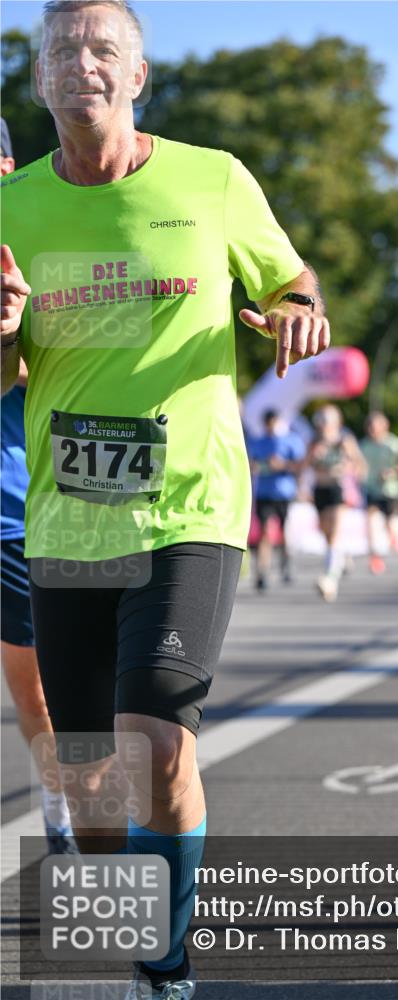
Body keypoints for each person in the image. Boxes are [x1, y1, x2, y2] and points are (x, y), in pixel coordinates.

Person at [0, 3, 330, 998]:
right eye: (62, 49)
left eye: (104, 49)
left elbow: (293, 282)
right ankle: (141, 918)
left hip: (189, 508)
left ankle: (170, 968)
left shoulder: (213, 178)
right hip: (70, 516)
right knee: (94, 791)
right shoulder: (11, 207)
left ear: (137, 75)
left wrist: (298, 315)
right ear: (41, 77)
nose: (81, 63)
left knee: (158, 751)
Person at [0, 117, 76, 854]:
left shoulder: (41, 254)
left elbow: (48, 368)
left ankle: (61, 804)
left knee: (42, 696)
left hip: (21, 510)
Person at [307, 404, 365, 601]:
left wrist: (349, 469)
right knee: (325, 531)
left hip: (338, 488)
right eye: (321, 421)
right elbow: (305, 465)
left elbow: (359, 463)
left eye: (327, 421)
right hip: (320, 489)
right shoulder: (314, 442)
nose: (323, 425)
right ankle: (339, 558)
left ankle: (329, 579)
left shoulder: (343, 440)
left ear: (336, 423)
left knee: (334, 533)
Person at [247, 409, 305, 589]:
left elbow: (300, 466)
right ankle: (262, 571)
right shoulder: (259, 442)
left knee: (285, 529)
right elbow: (251, 464)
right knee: (265, 532)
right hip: (264, 492)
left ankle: (286, 563)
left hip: (284, 492)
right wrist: (260, 466)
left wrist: (283, 465)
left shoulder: (291, 440)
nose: (271, 428)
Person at [359, 411, 398, 574]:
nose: (372, 429)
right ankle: (375, 558)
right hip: (371, 489)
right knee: (370, 521)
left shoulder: (395, 444)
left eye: (375, 425)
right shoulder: (364, 445)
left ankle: (392, 538)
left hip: (390, 491)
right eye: (369, 426)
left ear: (385, 426)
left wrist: (393, 472)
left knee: (389, 522)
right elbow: (358, 465)